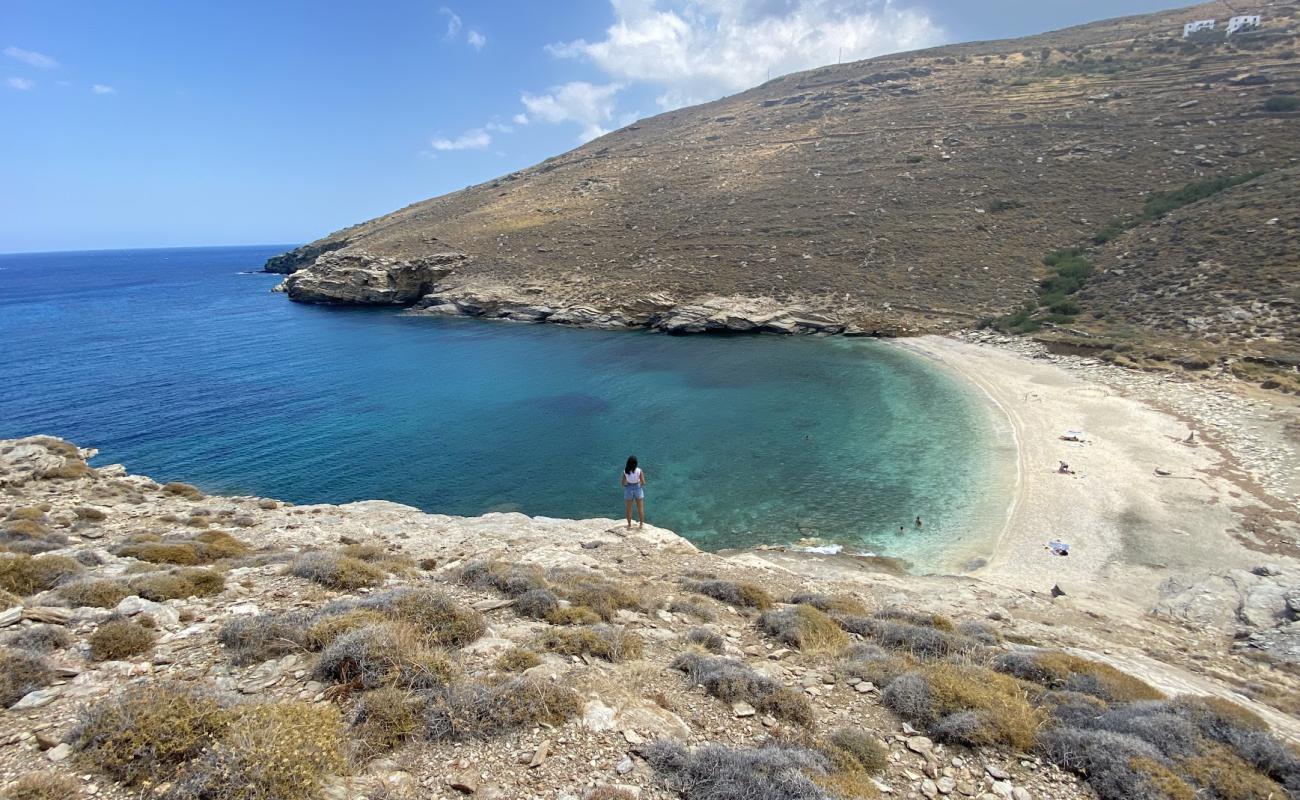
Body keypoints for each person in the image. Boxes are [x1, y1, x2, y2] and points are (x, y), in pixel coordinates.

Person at [621, 455, 646, 529]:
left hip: (629, 488)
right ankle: (641, 524)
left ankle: (629, 524)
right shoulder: (639, 470)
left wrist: (627, 486)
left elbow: (623, 483)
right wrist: (639, 485)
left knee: (629, 508)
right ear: (636, 463)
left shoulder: (625, 471)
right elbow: (643, 482)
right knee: (640, 508)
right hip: (637, 487)